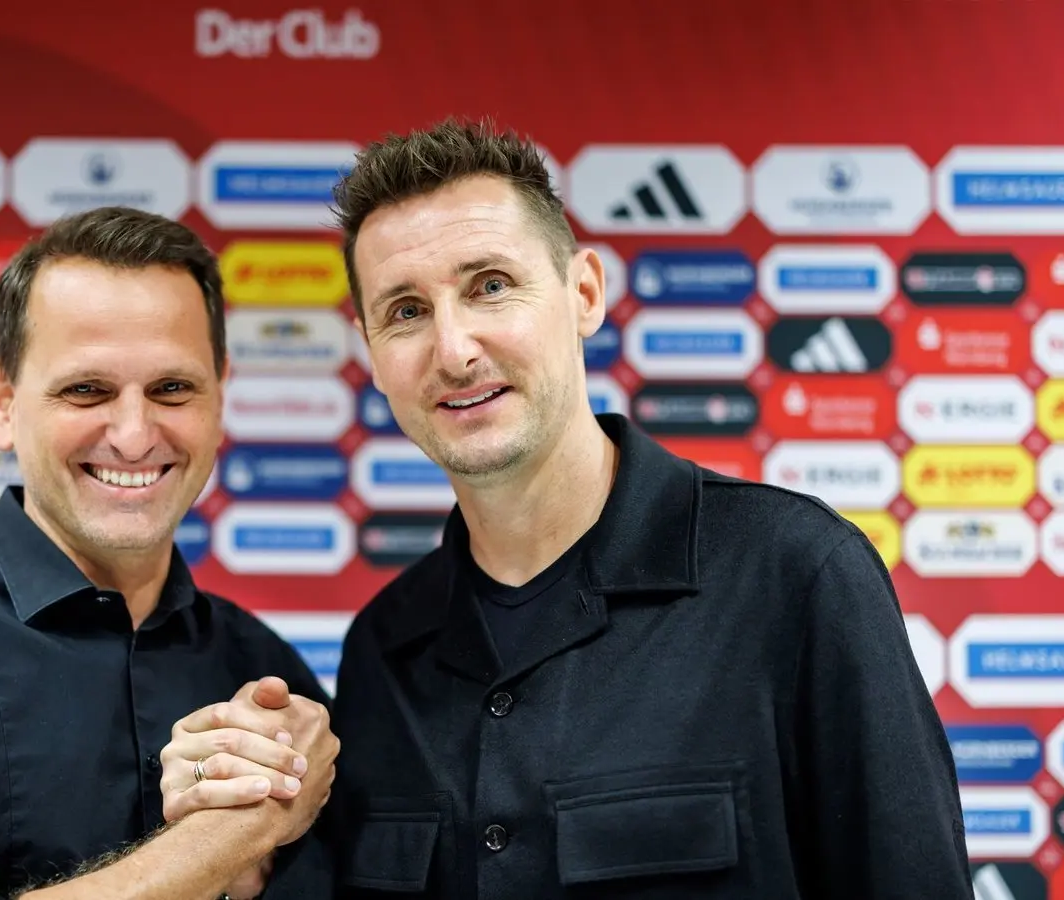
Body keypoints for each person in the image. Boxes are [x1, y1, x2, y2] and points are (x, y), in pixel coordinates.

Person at [164, 118, 973, 897]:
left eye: (490, 286)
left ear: (583, 292)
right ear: (373, 354)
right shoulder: (386, 647)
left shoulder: (795, 575)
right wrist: (244, 866)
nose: (454, 350)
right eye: (406, 311)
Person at [0, 206, 339, 900]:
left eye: (172, 389)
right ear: (2, 403)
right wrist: (233, 835)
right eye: (87, 390)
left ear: (218, 399)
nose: (134, 436)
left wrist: (248, 870)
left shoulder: (270, 676)